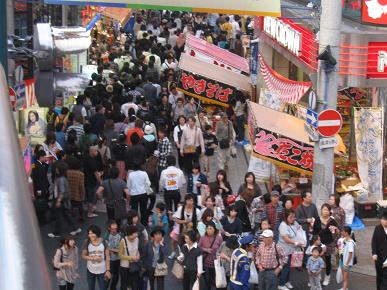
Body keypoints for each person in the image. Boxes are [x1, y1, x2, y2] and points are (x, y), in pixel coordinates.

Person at [48, 162, 81, 238]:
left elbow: (62, 191)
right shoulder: (62, 178)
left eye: (57, 168)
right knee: (66, 215)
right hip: (63, 200)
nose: (56, 169)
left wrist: (58, 200)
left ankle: (57, 233)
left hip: (60, 200)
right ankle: (76, 228)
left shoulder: (60, 179)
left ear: (59, 170)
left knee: (58, 216)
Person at [277, 209, 306, 290]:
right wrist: (296, 242)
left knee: (289, 267)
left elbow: (299, 228)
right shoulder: (283, 225)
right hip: (283, 249)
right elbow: (286, 239)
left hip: (290, 249)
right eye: (291, 217)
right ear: (286, 217)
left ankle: (286, 282)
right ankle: (281, 284)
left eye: (294, 216)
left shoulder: (294, 223)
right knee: (285, 267)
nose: (293, 218)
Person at [313, 203, 340, 286]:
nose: (325, 212)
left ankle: (327, 278)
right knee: (317, 260)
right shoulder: (317, 219)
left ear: (329, 211)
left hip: (328, 243)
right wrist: (315, 242)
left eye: (327, 210)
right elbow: (314, 231)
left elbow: (337, 233)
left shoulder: (332, 221)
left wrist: (335, 231)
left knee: (328, 261)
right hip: (318, 243)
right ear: (321, 210)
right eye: (324, 209)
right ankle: (318, 276)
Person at [169, 194, 201, 259]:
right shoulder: (181, 209)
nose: (189, 202)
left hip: (192, 233)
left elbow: (199, 223)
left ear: (194, 201)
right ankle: (182, 258)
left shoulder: (197, 211)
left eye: (191, 201)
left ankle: (190, 258)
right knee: (181, 245)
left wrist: (198, 232)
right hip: (182, 232)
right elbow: (177, 220)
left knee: (192, 246)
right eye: (188, 200)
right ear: (186, 201)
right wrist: (185, 221)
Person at [82, 225, 111, 290]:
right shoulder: (87, 242)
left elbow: (107, 257)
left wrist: (108, 270)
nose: (90, 235)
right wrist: (93, 258)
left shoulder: (104, 242)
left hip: (102, 270)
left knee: (103, 288)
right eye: (89, 233)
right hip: (90, 270)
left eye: (92, 233)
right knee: (91, 288)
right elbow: (83, 255)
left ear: (97, 233)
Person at [159, 155, 186, 220]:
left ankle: (170, 223)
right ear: (175, 162)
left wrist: (162, 188)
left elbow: (161, 183)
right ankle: (178, 222)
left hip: (167, 192)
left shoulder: (164, 172)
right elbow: (183, 182)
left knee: (168, 207)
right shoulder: (179, 171)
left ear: (167, 163)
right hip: (176, 191)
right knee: (178, 207)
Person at [118, 225, 144, 290]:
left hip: (134, 266)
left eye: (136, 233)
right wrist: (131, 258)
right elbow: (120, 255)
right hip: (125, 267)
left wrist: (138, 255)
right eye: (134, 233)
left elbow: (137, 250)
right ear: (129, 234)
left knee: (135, 283)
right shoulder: (123, 241)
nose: (136, 235)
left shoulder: (137, 239)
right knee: (124, 284)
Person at [199, 221, 223, 289]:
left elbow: (221, 248)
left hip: (216, 263)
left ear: (214, 229)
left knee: (216, 280)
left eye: (210, 228)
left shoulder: (219, 238)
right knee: (207, 280)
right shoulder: (203, 237)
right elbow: (198, 248)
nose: (208, 230)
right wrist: (205, 249)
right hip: (206, 263)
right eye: (207, 228)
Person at [127, 161, 151, 226]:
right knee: (143, 209)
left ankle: (134, 224)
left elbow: (128, 185)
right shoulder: (144, 173)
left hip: (134, 195)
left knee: (134, 211)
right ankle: (144, 223)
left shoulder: (131, 174)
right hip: (143, 194)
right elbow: (148, 183)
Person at [83, 145, 103, 218]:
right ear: (91, 151)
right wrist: (100, 181)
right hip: (91, 181)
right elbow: (96, 174)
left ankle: (91, 209)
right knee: (91, 197)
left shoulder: (85, 158)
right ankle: (90, 213)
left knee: (89, 197)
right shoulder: (92, 162)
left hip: (86, 180)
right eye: (95, 151)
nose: (97, 152)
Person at [103, 221, 122, 290]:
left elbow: (121, 249)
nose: (115, 230)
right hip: (110, 260)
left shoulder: (120, 235)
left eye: (116, 228)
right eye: (113, 229)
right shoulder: (106, 236)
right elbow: (107, 249)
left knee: (116, 275)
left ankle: (113, 288)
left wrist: (112, 249)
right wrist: (116, 250)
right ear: (109, 228)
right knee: (108, 275)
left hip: (118, 259)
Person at [372, 212, 387, 290]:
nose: (383, 221)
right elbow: (374, 241)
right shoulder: (377, 228)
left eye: (385, 220)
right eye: (382, 219)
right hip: (379, 257)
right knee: (379, 275)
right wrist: (374, 253)